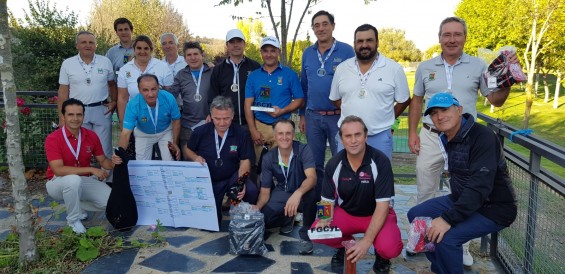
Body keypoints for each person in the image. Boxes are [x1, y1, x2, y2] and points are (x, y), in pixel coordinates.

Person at [407, 17, 515, 265]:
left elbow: (496, 100)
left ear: (465, 37)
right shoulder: (426, 66)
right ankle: (424, 238)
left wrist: (509, 80)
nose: (452, 39)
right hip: (432, 136)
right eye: (447, 34)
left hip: (466, 139)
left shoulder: (479, 65)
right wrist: (412, 132)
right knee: (426, 189)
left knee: (466, 189)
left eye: (457, 34)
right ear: (439, 37)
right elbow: (416, 101)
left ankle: (457, 241)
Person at [407, 92, 517, 274]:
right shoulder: (447, 136)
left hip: (494, 207)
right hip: (463, 198)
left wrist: (448, 219)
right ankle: (439, 268)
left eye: (444, 110)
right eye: (434, 113)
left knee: (448, 237)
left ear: (459, 110)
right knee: (417, 216)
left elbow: (480, 185)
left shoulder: (483, 136)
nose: (439, 116)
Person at [312, 115, 403, 274]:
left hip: (377, 214)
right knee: (317, 233)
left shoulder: (380, 161)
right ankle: (345, 245)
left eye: (357, 135)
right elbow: (326, 201)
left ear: (366, 136)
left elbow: (383, 206)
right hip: (347, 213)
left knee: (390, 248)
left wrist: (366, 241)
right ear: (341, 139)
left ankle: (381, 257)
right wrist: (324, 220)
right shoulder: (334, 164)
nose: (353, 140)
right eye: (348, 136)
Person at [329, 24, 410, 161]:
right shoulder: (342, 68)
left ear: (377, 43)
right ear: (354, 44)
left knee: (379, 179)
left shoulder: (393, 69)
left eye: (369, 40)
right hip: (349, 137)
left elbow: (404, 100)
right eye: (360, 41)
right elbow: (335, 99)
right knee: (346, 178)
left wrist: (388, 118)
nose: (364, 45)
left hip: (379, 137)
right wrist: (351, 109)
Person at [299, 10, 355, 199]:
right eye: (317, 25)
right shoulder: (308, 53)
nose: (321, 28)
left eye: (325, 24)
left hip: (338, 118)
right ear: (313, 29)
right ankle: (318, 204)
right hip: (313, 117)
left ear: (333, 26)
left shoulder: (347, 51)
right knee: (314, 165)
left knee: (343, 162)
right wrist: (301, 115)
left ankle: (342, 204)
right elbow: (304, 86)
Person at [183, 96, 258, 226]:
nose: (222, 123)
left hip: (232, 176)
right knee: (211, 225)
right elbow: (188, 149)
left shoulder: (241, 133)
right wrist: (195, 157)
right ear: (211, 116)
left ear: (233, 115)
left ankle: (245, 220)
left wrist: (241, 183)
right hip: (210, 180)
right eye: (217, 118)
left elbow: (245, 160)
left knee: (250, 190)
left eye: (226, 118)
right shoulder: (200, 131)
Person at [45, 98, 114, 234]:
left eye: (79, 114)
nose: (75, 118)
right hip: (56, 182)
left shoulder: (91, 136)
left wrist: (116, 161)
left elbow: (104, 162)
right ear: (63, 116)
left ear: (83, 116)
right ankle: (73, 221)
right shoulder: (53, 138)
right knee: (73, 180)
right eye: (70, 114)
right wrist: (91, 169)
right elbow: (58, 170)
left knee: (110, 202)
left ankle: (75, 204)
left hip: (82, 181)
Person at [254, 119, 317, 255]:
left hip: (303, 192)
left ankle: (306, 236)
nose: (284, 137)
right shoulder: (269, 157)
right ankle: (287, 218)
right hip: (283, 192)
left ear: (294, 135)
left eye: (288, 133)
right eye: (280, 133)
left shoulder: (303, 149)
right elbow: (265, 191)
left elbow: (312, 178)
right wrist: (257, 208)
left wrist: (298, 193)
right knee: (266, 219)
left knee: (312, 194)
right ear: (275, 136)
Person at [58, 31, 116, 162]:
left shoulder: (105, 61)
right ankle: (82, 179)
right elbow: (63, 92)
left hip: (101, 109)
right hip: (77, 112)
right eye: (83, 42)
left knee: (104, 148)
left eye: (91, 42)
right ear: (77, 45)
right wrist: (62, 117)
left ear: (95, 45)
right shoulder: (68, 64)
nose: (88, 45)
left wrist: (114, 101)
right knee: (80, 148)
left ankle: (107, 180)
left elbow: (112, 84)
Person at [244, 36, 304, 164]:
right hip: (260, 127)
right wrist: (253, 130)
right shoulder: (253, 76)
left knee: (283, 166)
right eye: (265, 51)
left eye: (273, 50)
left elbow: (299, 100)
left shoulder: (290, 74)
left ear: (278, 52)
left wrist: (283, 111)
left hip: (283, 127)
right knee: (260, 166)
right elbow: (248, 104)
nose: (269, 54)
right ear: (261, 53)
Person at [115, 74, 181, 161]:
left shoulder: (168, 98)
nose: (150, 94)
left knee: (169, 161)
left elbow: (176, 120)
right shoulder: (133, 104)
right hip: (143, 134)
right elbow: (126, 133)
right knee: (141, 164)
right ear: (139, 90)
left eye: (153, 89)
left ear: (158, 87)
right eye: (145, 90)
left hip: (165, 132)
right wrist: (118, 154)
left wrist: (175, 143)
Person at [117, 35, 173, 128]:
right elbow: (122, 98)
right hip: (136, 120)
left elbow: (170, 94)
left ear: (151, 50)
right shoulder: (125, 70)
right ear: (134, 50)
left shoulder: (163, 67)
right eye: (139, 48)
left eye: (146, 48)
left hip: (160, 118)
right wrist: (123, 121)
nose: (142, 52)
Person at [209, 29, 261, 127]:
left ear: (244, 44)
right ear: (227, 46)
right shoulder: (218, 69)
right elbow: (213, 97)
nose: (236, 45)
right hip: (227, 124)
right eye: (232, 42)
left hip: (252, 123)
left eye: (239, 41)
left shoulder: (255, 66)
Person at [169, 42, 213, 149]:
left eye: (196, 54)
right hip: (187, 126)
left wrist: (213, 113)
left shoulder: (212, 72)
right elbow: (171, 94)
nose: (193, 58)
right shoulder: (181, 74)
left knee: (207, 158)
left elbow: (220, 95)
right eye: (189, 55)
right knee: (189, 158)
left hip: (209, 123)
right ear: (184, 58)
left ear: (202, 55)